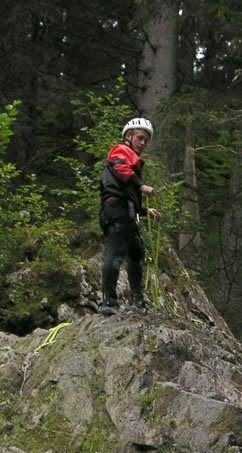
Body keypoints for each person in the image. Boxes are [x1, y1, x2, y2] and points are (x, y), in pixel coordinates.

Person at [98, 117, 161, 315]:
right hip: (117, 209)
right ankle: (109, 302)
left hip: (125, 210)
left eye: (146, 141)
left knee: (136, 252)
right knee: (116, 253)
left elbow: (127, 191)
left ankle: (137, 300)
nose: (143, 143)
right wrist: (141, 186)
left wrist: (145, 211)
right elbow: (120, 168)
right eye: (140, 138)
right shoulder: (121, 150)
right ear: (128, 136)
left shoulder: (130, 157)